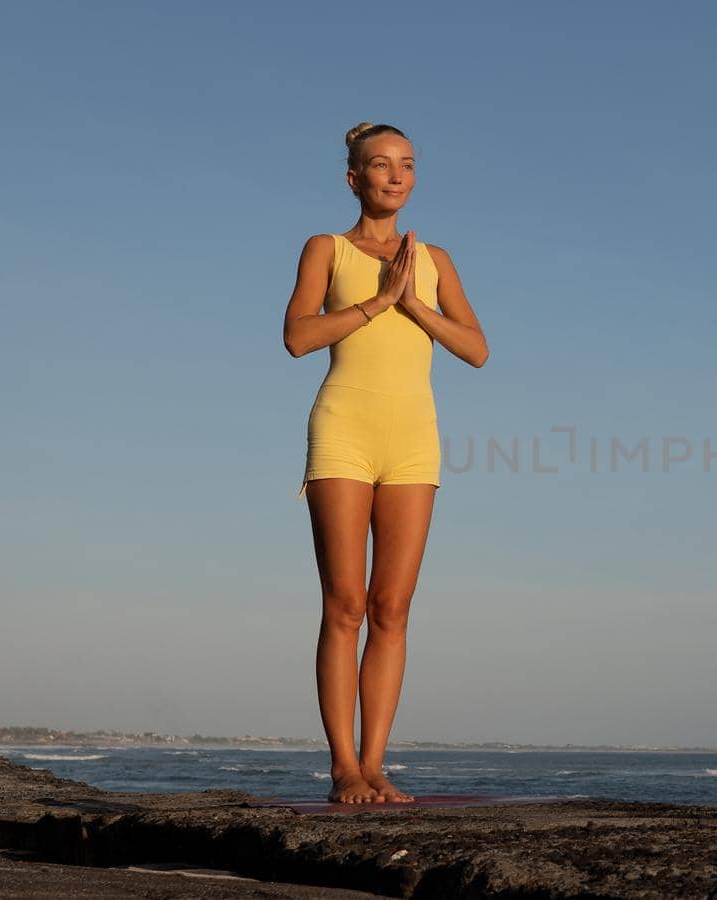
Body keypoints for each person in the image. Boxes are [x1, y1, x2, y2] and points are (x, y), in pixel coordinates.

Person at [283, 122, 489, 803]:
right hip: (344, 429)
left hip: (413, 440)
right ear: (354, 178)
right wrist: (377, 301)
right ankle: (343, 767)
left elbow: (476, 349)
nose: (395, 176)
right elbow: (297, 337)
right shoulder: (328, 248)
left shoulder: (433, 259)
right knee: (345, 605)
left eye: (405, 165)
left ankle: (376, 765)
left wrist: (414, 303)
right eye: (380, 165)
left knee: (392, 609)